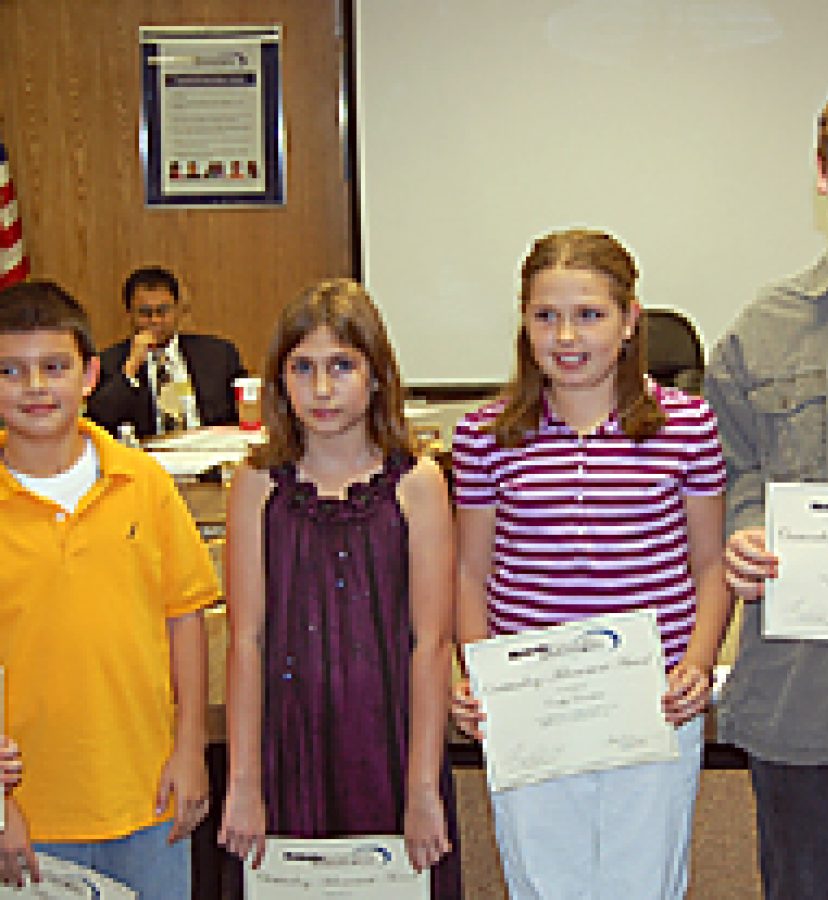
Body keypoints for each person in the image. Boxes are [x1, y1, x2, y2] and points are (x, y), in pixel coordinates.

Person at [452, 229, 730, 899]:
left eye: (590, 315)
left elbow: (710, 564)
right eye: (546, 316)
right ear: (523, 323)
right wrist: (477, 670)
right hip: (533, 705)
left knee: (644, 880)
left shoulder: (687, 426)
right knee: (544, 881)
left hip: (652, 703)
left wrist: (696, 662)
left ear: (630, 321)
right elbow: (469, 572)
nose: (566, 337)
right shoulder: (486, 436)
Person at [704, 60, 828, 899]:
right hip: (804, 703)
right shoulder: (762, 330)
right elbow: (731, 469)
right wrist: (743, 533)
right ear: (823, 176)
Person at [217, 278, 462, 897]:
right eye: (303, 368)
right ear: (279, 381)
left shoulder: (418, 484)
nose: (322, 389)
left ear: (377, 375)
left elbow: (431, 645)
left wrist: (424, 788)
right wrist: (244, 784)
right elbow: (244, 640)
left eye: (342, 367)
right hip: (286, 743)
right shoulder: (256, 486)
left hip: (390, 746)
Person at [0, 280, 219, 895]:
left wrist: (192, 752)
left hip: (147, 798)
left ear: (91, 373)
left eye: (54, 367)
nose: (36, 387)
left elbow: (185, 620)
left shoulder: (144, 484)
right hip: (28, 815)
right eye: (11, 371)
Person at [87, 266, 247, 438]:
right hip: (146, 458)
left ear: (178, 310)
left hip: (211, 452)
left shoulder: (218, 354)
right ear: (129, 314)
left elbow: (247, 406)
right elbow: (97, 421)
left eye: (163, 311)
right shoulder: (109, 362)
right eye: (145, 313)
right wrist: (130, 369)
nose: (155, 320)